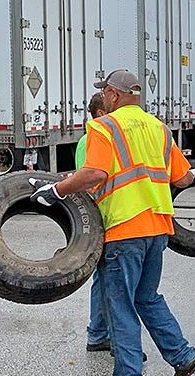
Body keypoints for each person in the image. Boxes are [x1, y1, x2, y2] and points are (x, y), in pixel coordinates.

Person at [29, 69, 195, 376]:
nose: (105, 97)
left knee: (120, 306)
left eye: (105, 91)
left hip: (124, 230)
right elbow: (182, 177)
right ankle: (182, 355)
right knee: (146, 297)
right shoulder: (159, 128)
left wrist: (55, 191)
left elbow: (94, 173)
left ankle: (128, 372)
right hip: (158, 228)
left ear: (113, 94)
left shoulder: (103, 127)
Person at [74, 92, 114, 355]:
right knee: (109, 279)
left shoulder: (102, 137)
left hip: (110, 217)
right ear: (100, 114)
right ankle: (105, 335)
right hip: (104, 219)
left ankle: (99, 333)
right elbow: (87, 180)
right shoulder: (91, 139)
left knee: (104, 278)